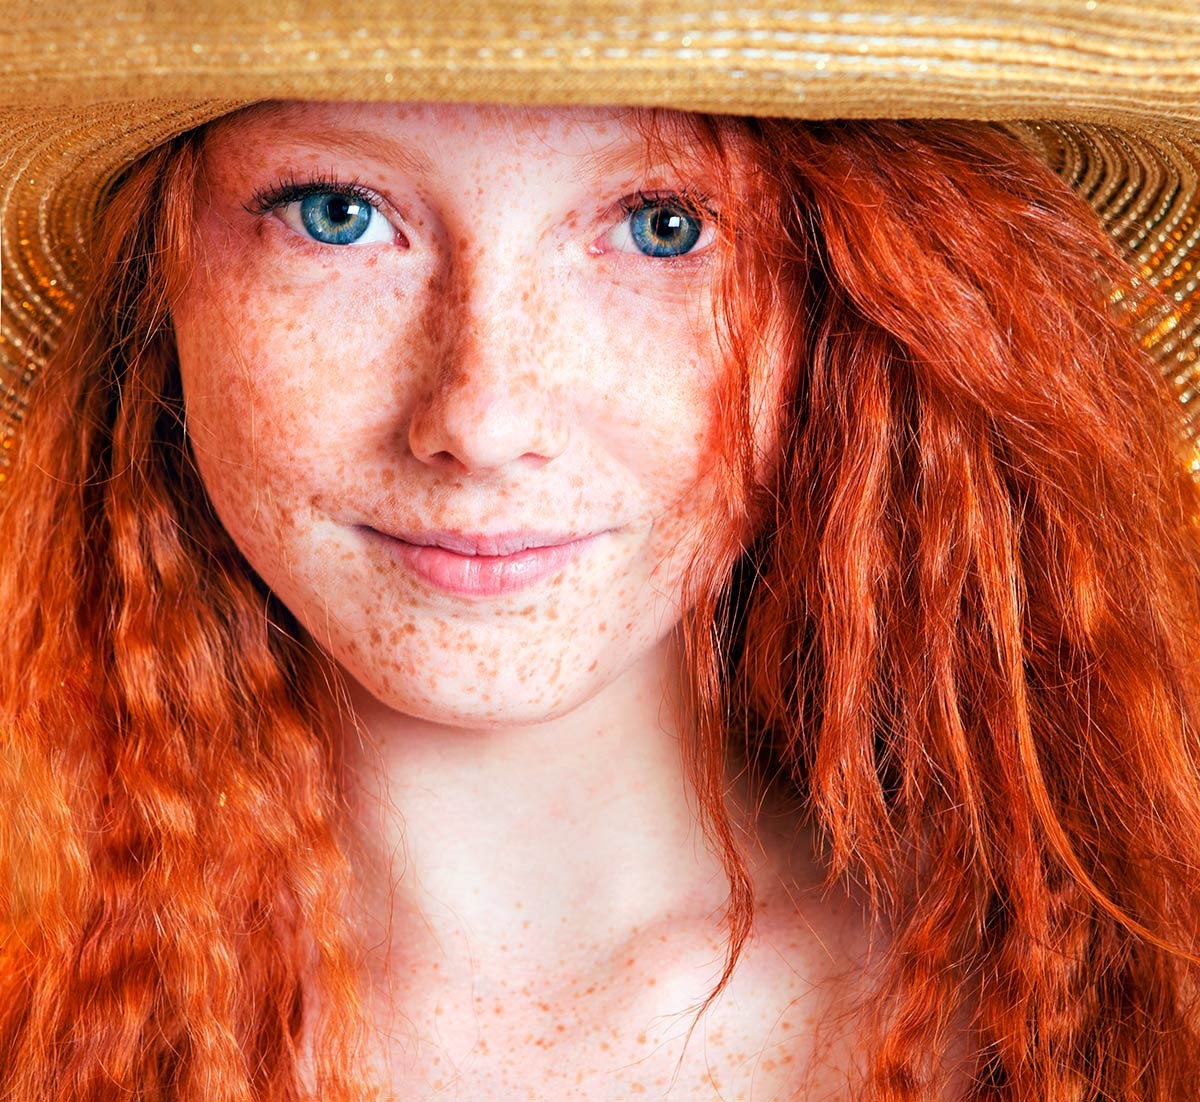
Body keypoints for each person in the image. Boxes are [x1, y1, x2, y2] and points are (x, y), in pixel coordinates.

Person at [2, 5, 1200, 1101]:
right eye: (340, 213)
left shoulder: (1120, 1009)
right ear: (156, 284)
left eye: (658, 227)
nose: (483, 417)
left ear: (840, 299)